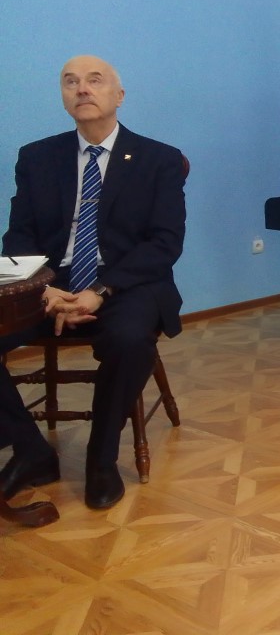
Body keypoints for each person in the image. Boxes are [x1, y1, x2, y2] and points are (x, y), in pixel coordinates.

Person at [0, 55, 186, 510]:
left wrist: (100, 291)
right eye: (71, 82)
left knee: (130, 340)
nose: (82, 89)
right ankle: (31, 450)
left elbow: (164, 243)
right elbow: (18, 236)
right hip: (51, 284)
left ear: (118, 96)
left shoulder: (158, 159)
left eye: (94, 80)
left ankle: (101, 460)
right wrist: (41, 286)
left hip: (128, 283)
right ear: (64, 98)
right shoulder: (37, 157)